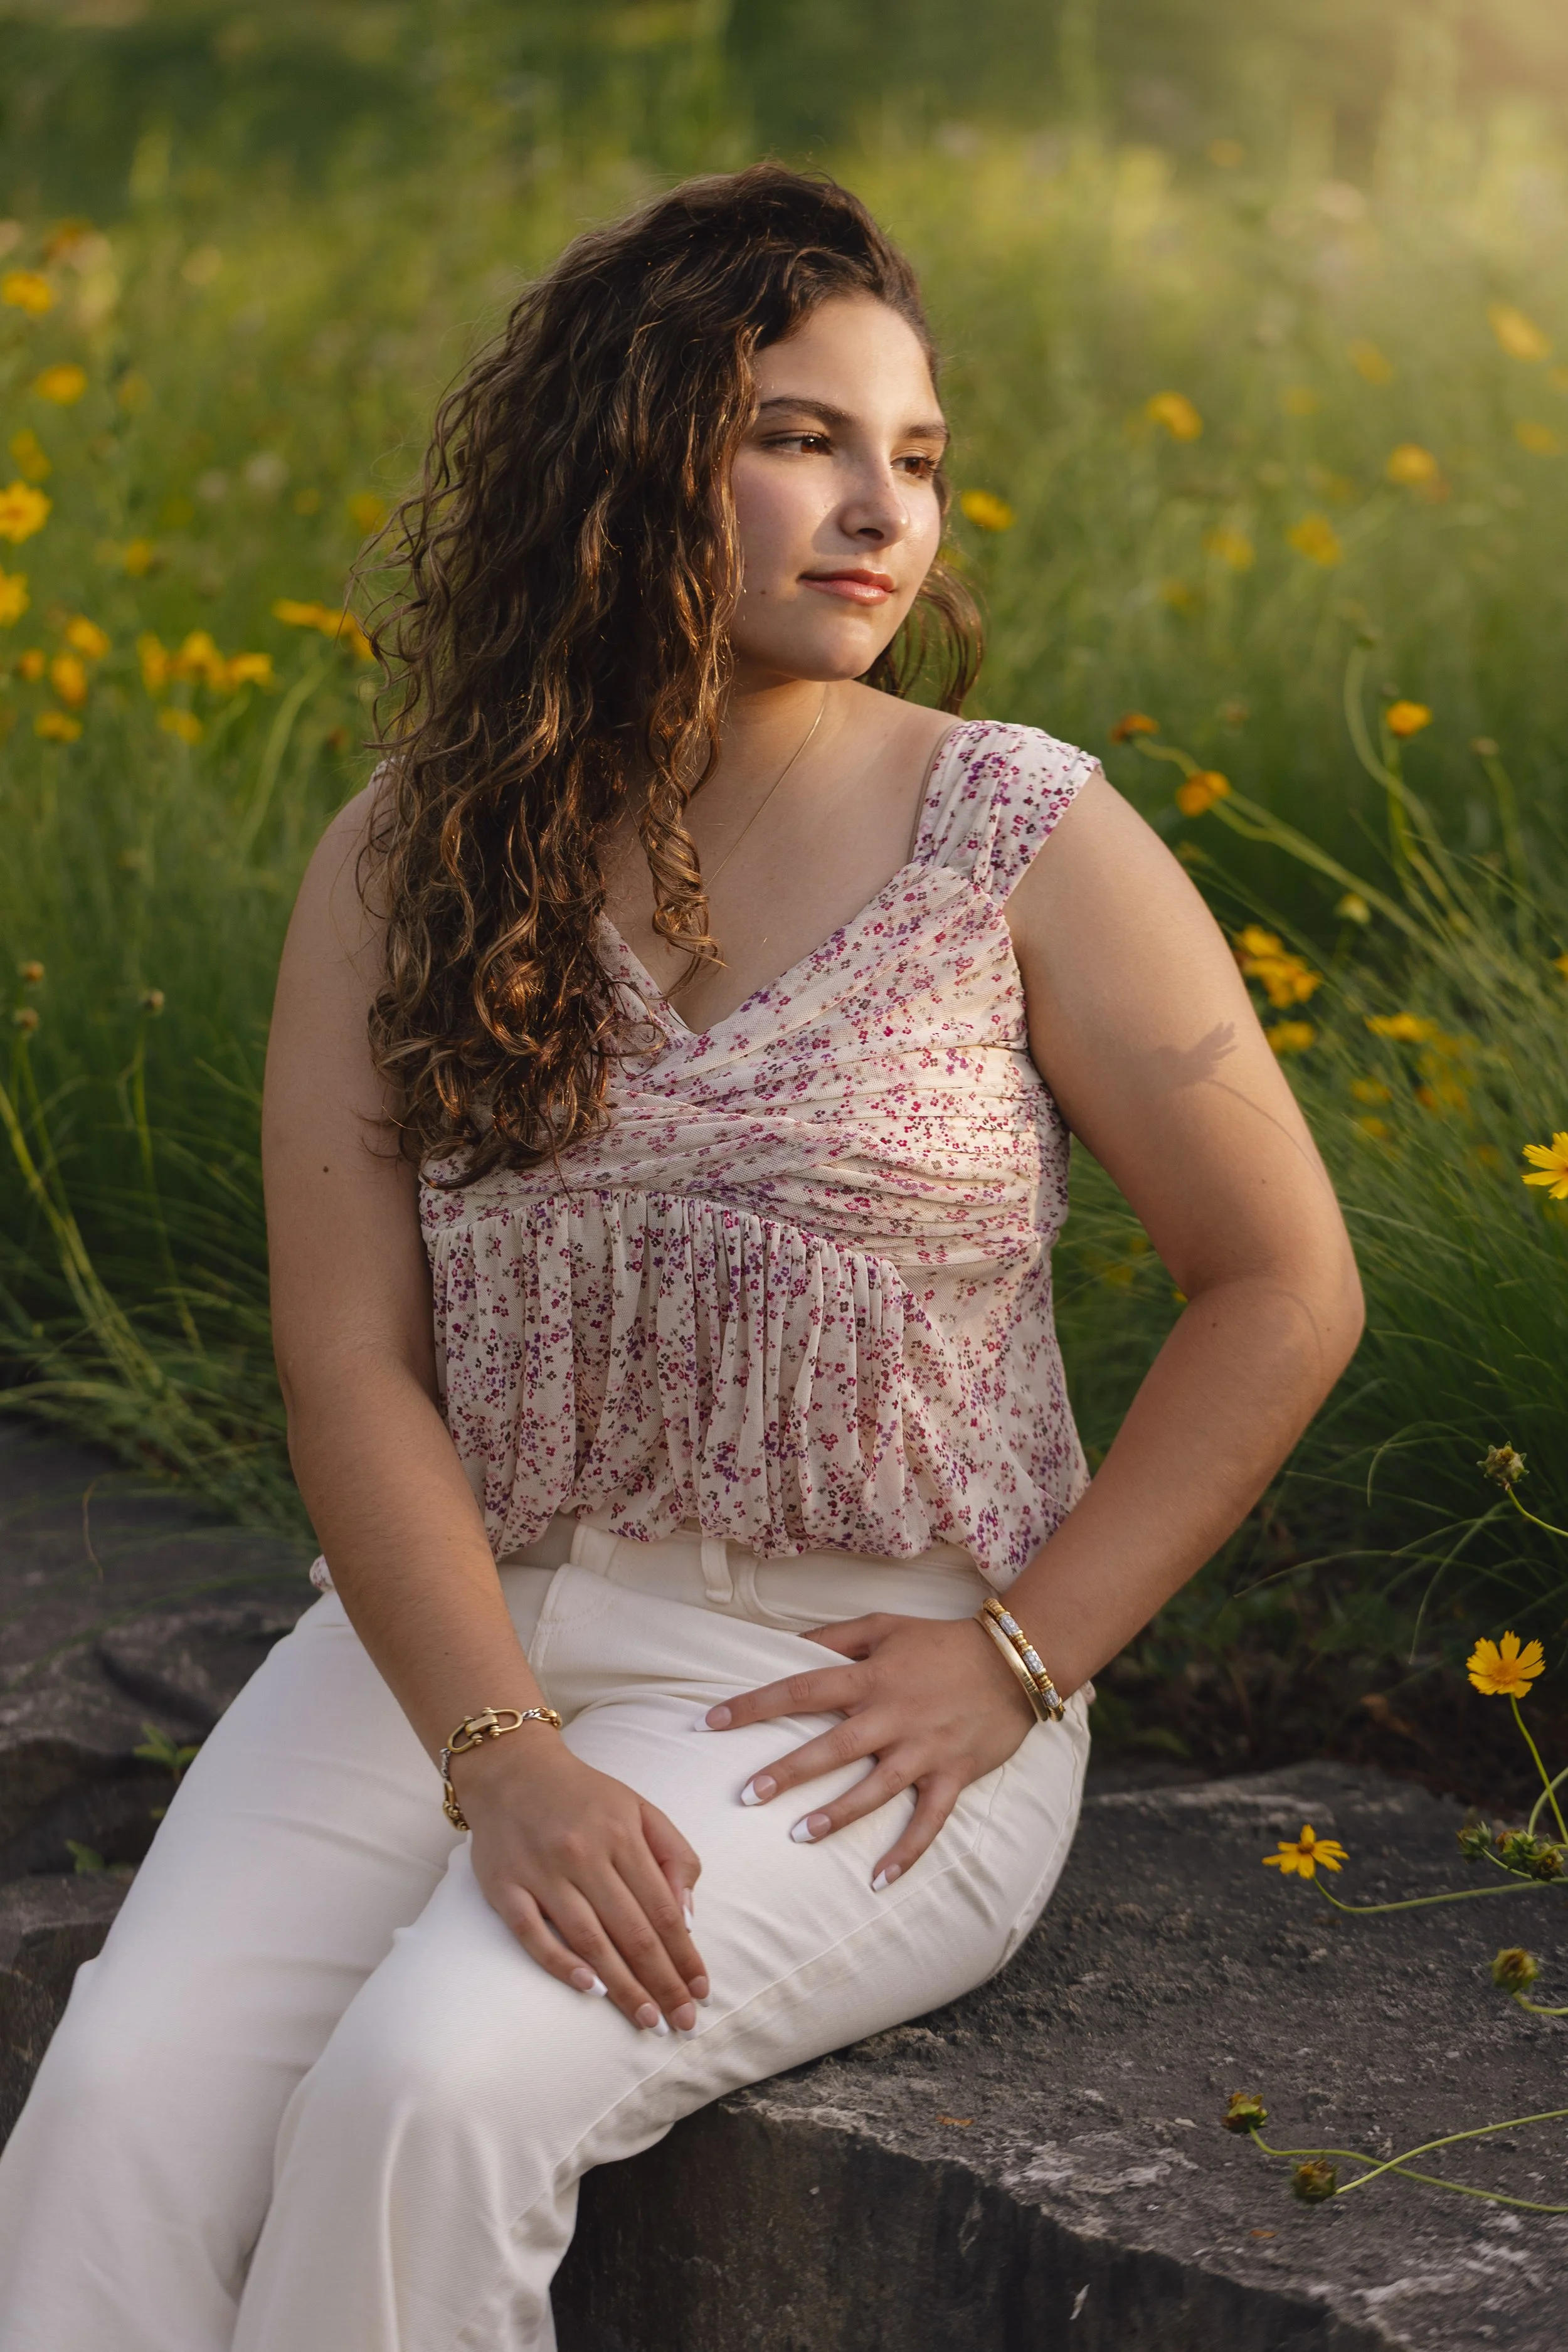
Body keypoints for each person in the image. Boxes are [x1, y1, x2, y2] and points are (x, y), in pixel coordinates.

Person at [0, 164, 1362, 2350]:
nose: (876, 507)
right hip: (453, 1630)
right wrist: (502, 1749)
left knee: (431, 2092)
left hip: (854, 1687)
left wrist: (1022, 1660)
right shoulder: (412, 849)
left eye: (913, 457)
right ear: (631, 458)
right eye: (799, 435)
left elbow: (1284, 1280)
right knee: (115, 2119)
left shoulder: (1014, 828)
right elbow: (347, 1355)